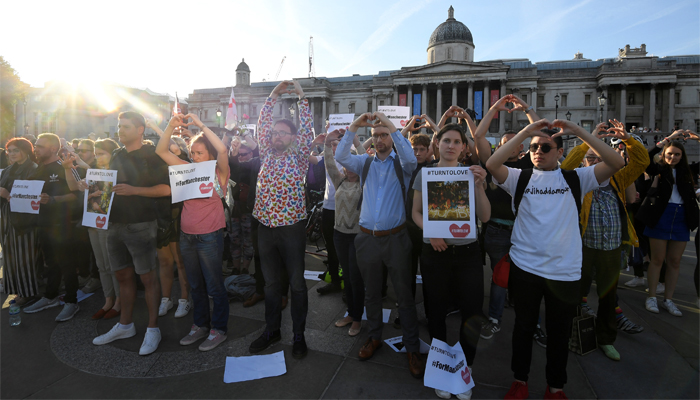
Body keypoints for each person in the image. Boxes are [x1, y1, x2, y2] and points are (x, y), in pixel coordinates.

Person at [486, 118, 624, 399]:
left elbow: (615, 162)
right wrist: (526, 132)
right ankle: (520, 380)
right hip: (526, 268)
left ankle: (555, 386)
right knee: (523, 328)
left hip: (564, 272)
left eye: (546, 147)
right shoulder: (519, 177)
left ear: (560, 152)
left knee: (559, 333)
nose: (539, 151)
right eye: (534, 147)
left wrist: (580, 133)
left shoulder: (577, 178)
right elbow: (492, 164)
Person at [335, 111, 425, 379]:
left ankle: (411, 347)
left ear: (391, 137)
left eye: (384, 134)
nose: (380, 139)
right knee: (371, 293)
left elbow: (410, 157)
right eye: (376, 136)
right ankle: (374, 337)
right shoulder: (365, 162)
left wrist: (391, 126)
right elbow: (341, 157)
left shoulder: (403, 164)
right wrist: (354, 127)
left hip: (396, 238)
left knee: (404, 297)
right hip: (366, 239)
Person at [412, 123, 491, 400]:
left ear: (464, 147)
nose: (451, 145)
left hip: (468, 252)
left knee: (472, 312)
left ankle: (465, 370)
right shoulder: (426, 173)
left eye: (456, 141)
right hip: (436, 253)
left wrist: (480, 187)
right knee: (436, 312)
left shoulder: (472, 175)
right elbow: (416, 213)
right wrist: (431, 233)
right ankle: (443, 368)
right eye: (446, 140)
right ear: (438, 143)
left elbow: (485, 217)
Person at [560, 119, 649, 361]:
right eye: (591, 158)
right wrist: (586, 141)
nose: (596, 162)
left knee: (608, 298)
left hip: (611, 249)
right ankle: (571, 333)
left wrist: (628, 139)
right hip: (583, 248)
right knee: (576, 293)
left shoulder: (618, 179)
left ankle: (606, 339)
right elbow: (565, 167)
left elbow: (642, 161)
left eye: (601, 158)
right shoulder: (577, 179)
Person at [473, 94, 549, 347]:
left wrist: (526, 108)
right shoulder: (494, 165)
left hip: (525, 231)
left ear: (521, 146)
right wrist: (494, 107)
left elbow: (541, 133)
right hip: (496, 231)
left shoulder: (530, 164)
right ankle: (494, 318)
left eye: (512, 142)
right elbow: (478, 137)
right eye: (502, 143)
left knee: (530, 279)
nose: (506, 146)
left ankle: (534, 323)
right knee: (499, 277)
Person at [91, 111, 170, 356]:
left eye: (125, 126)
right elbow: (109, 185)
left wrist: (135, 190)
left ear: (140, 130)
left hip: (142, 224)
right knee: (122, 277)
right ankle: (125, 325)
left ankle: (153, 328)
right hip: (113, 224)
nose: (120, 130)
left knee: (147, 279)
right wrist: (94, 189)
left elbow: (166, 189)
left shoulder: (153, 156)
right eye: (118, 125)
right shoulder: (116, 154)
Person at [248, 80, 313, 359]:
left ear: (293, 139)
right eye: (275, 132)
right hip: (265, 227)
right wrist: (273, 95)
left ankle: (299, 335)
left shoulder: (298, 157)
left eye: (283, 133)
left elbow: (308, 130)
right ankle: (272, 330)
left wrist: (300, 96)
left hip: (291, 228)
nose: (276, 135)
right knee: (271, 285)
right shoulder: (265, 154)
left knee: (297, 284)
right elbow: (262, 123)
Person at [156, 112, 230, 351]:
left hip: (210, 236)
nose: (195, 157)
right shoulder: (186, 169)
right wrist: (169, 126)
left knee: (214, 285)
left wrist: (201, 125)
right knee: (195, 285)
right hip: (187, 236)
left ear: (209, 155)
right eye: (193, 153)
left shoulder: (219, 172)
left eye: (200, 153)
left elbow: (223, 150)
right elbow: (161, 151)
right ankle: (200, 325)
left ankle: (218, 329)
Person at [62, 138, 123, 320]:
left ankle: (119, 301)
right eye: (97, 154)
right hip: (92, 221)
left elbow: (106, 181)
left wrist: (85, 167)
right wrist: (68, 169)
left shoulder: (116, 171)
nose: (99, 157)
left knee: (113, 265)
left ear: (112, 154)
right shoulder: (92, 171)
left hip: (109, 223)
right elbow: (73, 186)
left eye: (102, 153)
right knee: (101, 265)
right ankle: (108, 299)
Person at [22, 133, 81, 322]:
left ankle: (72, 301)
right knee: (50, 263)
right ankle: (50, 296)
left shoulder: (64, 167)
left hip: (62, 224)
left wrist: (54, 199)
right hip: (43, 223)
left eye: (39, 146)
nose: (35, 149)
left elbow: (77, 195)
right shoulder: (39, 166)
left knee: (67, 263)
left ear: (53, 148)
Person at [643, 130, 699, 316]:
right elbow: (646, 157)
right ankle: (652, 297)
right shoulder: (659, 169)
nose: (673, 157)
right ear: (664, 155)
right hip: (661, 215)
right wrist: (667, 139)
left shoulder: (688, 171)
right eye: (669, 154)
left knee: (675, 261)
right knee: (657, 260)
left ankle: (669, 299)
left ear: (682, 156)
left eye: (677, 155)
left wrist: (698, 138)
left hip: (682, 216)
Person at [323, 129, 365, 336]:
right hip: (339, 234)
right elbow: (329, 163)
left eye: (352, 166)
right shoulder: (339, 181)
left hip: (357, 236)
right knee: (347, 276)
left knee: (356, 277)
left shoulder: (365, 183)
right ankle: (351, 312)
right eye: (347, 166)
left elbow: (364, 157)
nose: (349, 169)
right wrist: (327, 142)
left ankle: (357, 318)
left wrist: (356, 142)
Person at [0, 138, 39, 305]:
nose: (11, 153)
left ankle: (28, 292)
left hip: (25, 218)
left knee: (24, 256)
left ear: (26, 150)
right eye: (10, 150)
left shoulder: (34, 169)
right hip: (7, 216)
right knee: (9, 254)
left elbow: (31, 196)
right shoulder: (8, 169)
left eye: (16, 150)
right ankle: (15, 289)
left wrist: (7, 194)